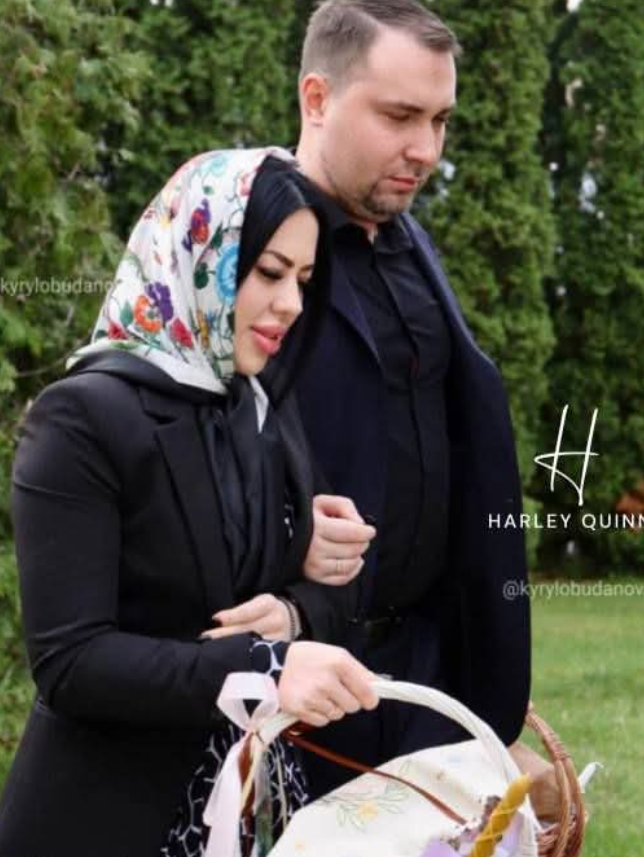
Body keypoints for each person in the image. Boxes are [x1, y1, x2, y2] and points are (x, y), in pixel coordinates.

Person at [0, 147, 379, 857]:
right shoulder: (82, 419)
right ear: (200, 257)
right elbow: (71, 662)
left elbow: (325, 592)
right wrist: (265, 667)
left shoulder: (258, 405)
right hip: (111, 831)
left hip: (249, 821)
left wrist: (294, 612)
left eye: (302, 280)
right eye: (269, 273)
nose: (291, 304)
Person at [278, 0, 533, 796]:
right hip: (305, 683)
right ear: (317, 99)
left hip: (426, 677)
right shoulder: (248, 247)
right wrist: (282, 545)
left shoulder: (408, 239)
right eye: (398, 117)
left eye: (440, 120)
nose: (425, 149)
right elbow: (166, 448)